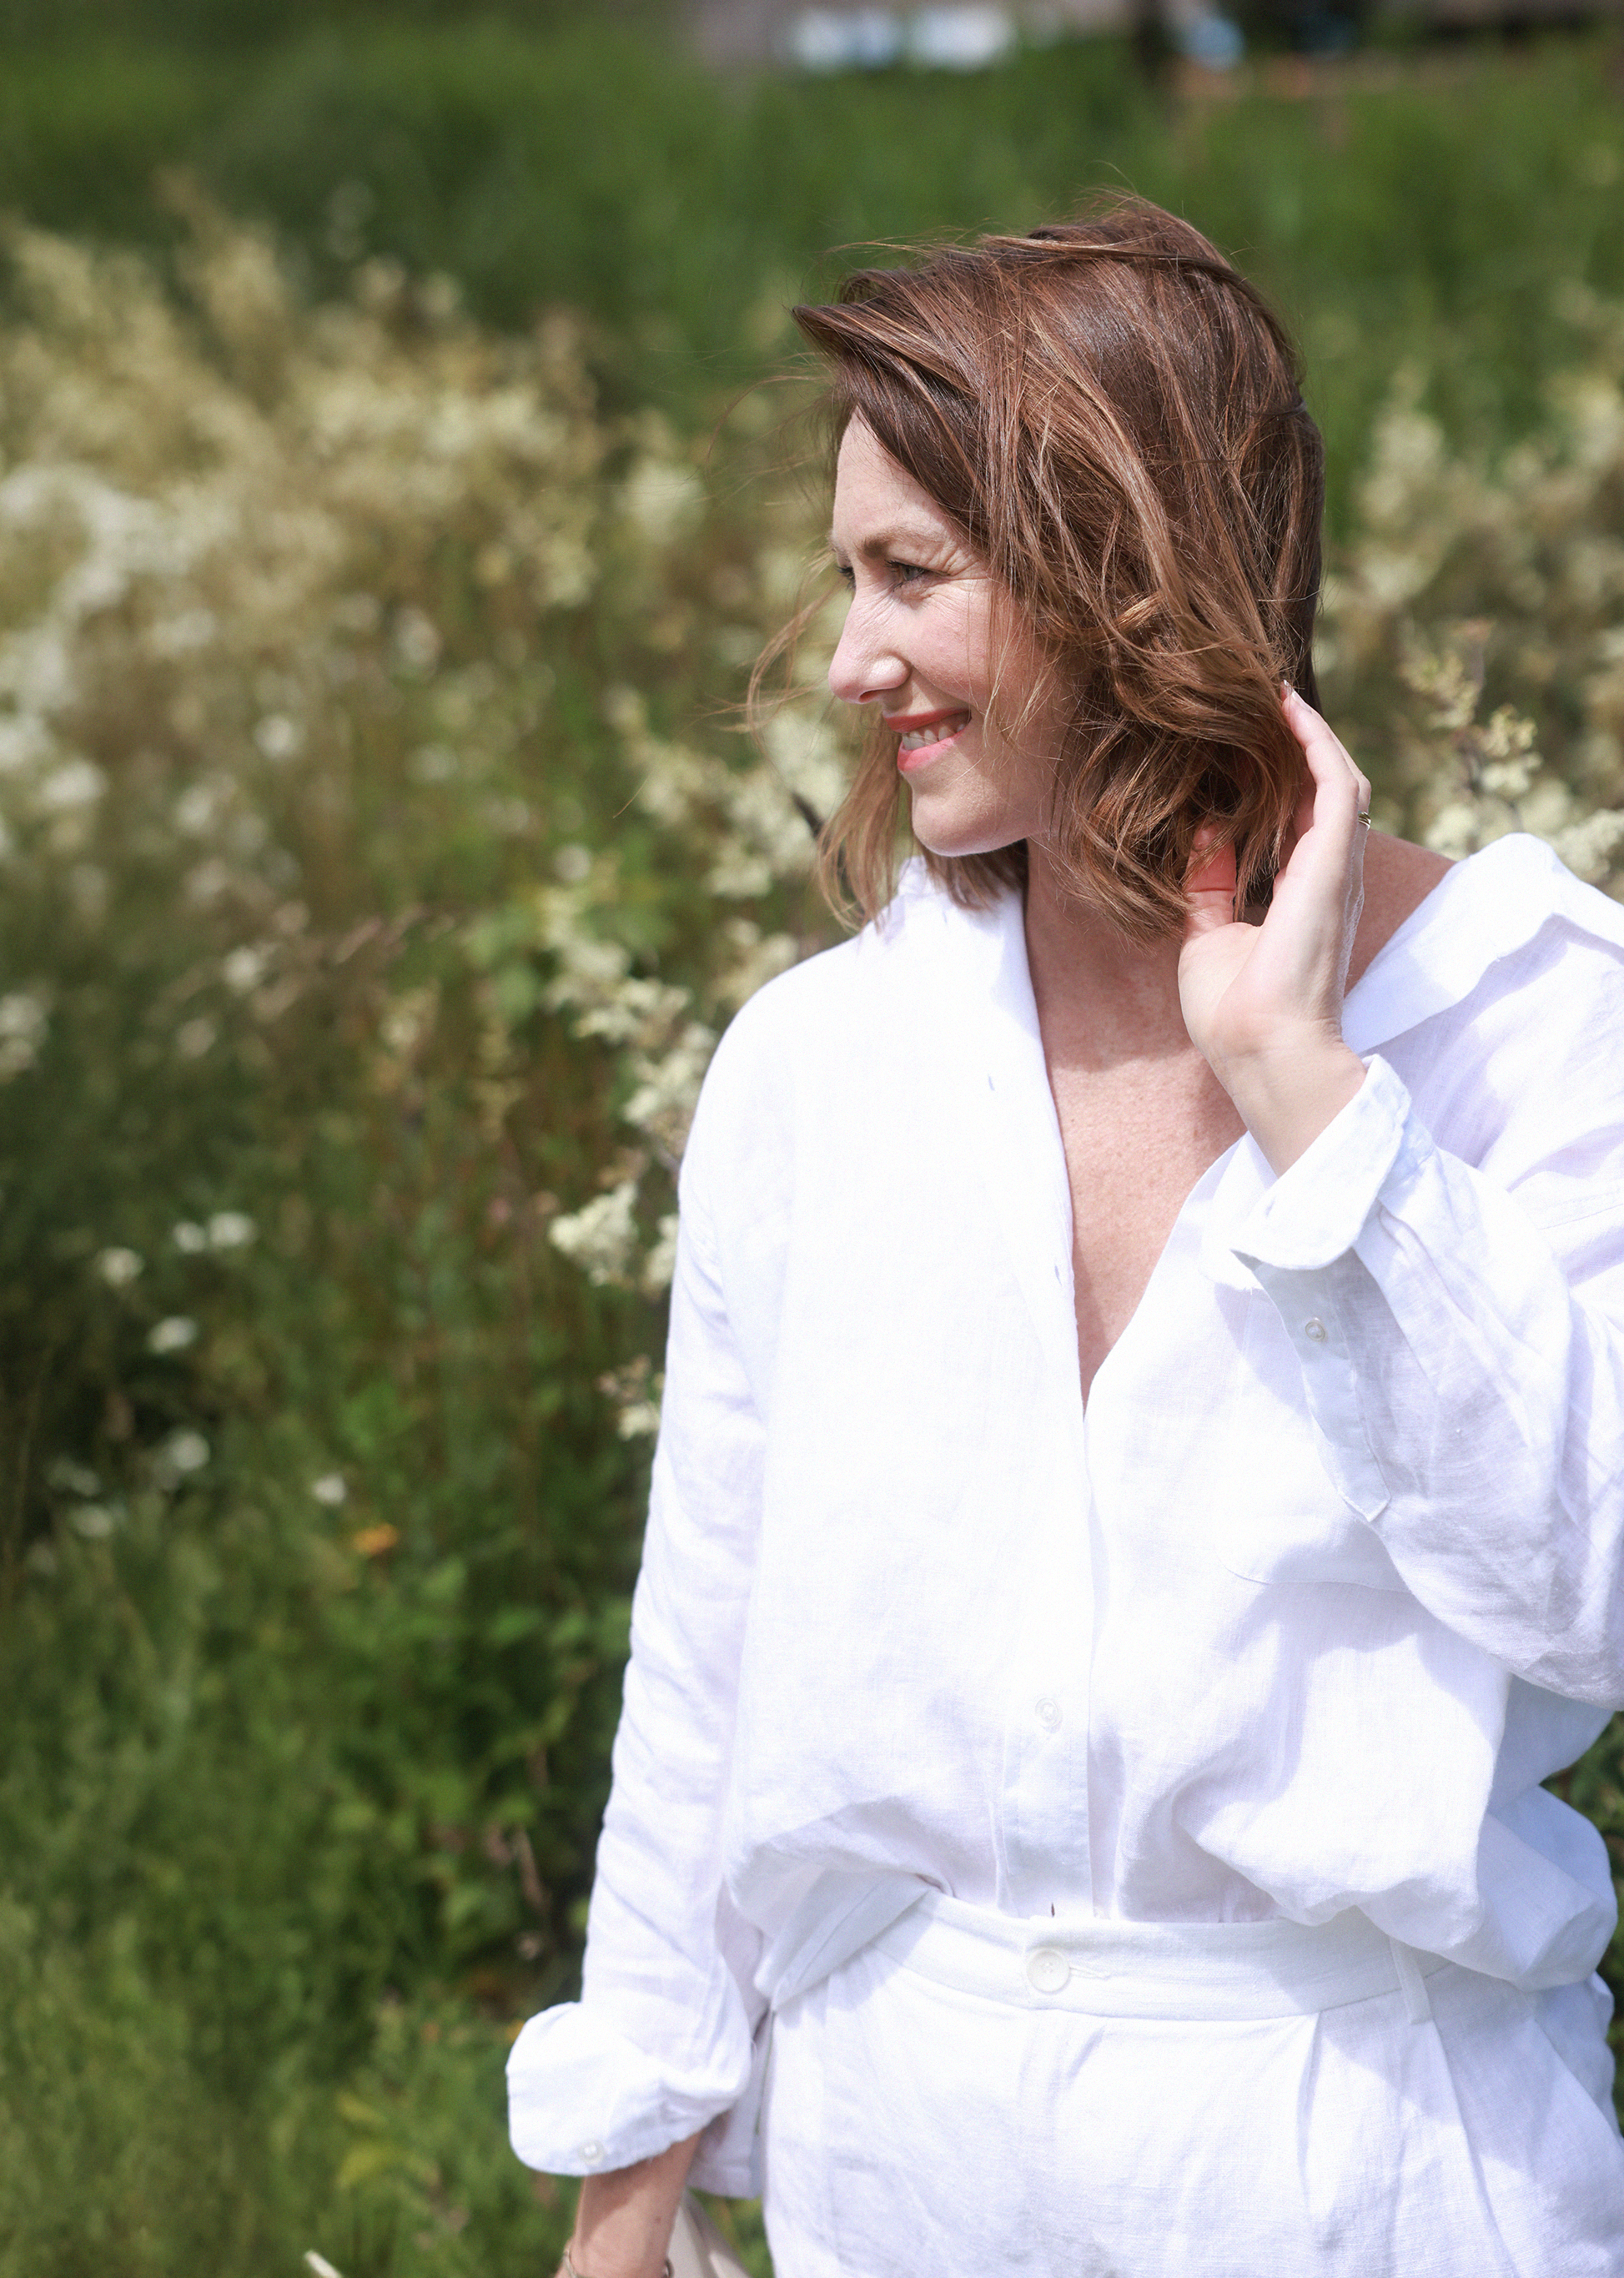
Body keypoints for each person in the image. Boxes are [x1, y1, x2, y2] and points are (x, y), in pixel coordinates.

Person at [507, 198, 1624, 2276]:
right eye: (846, 576)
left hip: (1369, 2171)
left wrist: (1311, 1100)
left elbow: (1588, 1599)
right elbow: (711, 1665)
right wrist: (628, 2190)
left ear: (1123, 571)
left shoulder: (1538, 1023)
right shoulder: (817, 1066)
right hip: (892, 2166)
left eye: (910, 575)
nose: (845, 660)